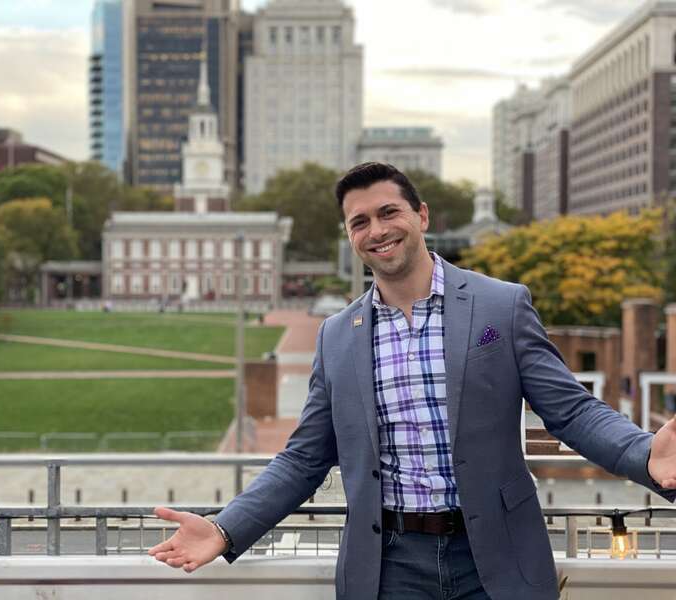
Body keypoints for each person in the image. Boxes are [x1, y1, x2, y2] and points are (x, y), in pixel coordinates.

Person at [149, 162, 676, 600]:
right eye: (359, 222)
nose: (376, 230)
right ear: (351, 236)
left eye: (388, 212)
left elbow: (572, 411)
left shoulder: (501, 305)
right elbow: (304, 457)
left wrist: (644, 454)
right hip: (388, 567)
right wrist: (225, 527)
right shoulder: (337, 336)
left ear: (421, 215)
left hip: (495, 556)